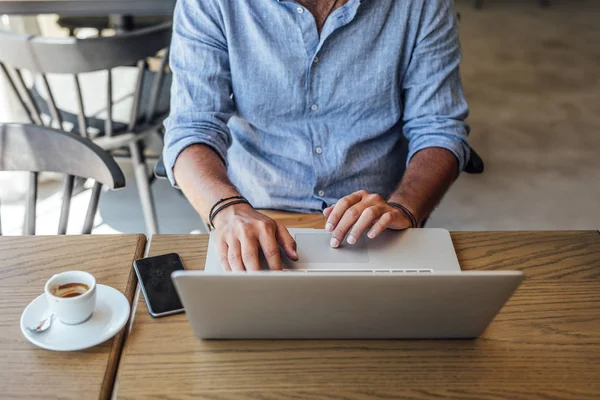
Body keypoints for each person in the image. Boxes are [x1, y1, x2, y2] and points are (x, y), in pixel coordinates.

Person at [163, 0, 471, 271]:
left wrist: (404, 208)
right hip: (253, 214)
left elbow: (439, 128)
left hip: (378, 221)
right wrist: (227, 210)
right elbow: (191, 127)